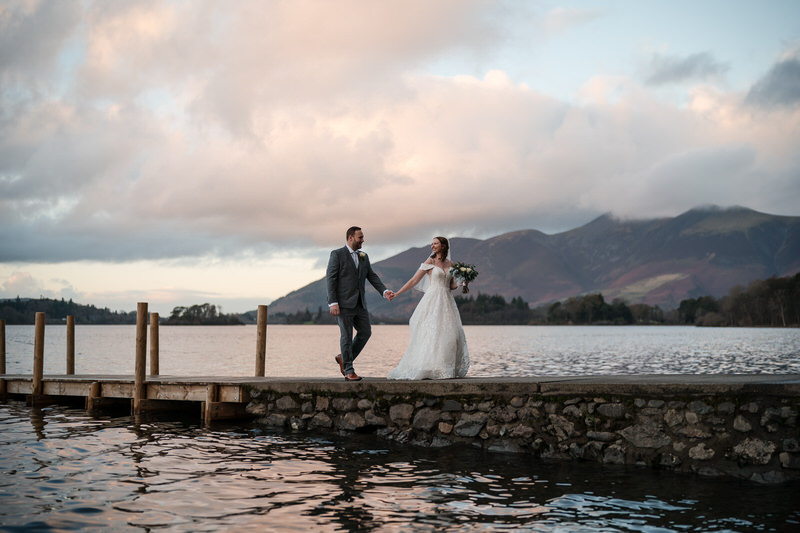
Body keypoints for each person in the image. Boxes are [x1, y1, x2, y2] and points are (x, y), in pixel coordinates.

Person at [388, 236, 469, 380]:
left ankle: (444, 368)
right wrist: (398, 293)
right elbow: (414, 280)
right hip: (433, 300)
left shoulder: (450, 263)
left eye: (435, 243)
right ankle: (427, 366)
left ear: (444, 246)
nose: (432, 246)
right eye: (432, 244)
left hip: (447, 301)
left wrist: (462, 284)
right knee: (432, 332)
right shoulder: (430, 262)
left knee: (450, 333)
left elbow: (451, 286)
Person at [327, 226, 394, 381]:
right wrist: (333, 302)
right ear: (350, 238)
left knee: (365, 333)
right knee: (346, 335)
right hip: (342, 304)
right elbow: (331, 279)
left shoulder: (364, 256)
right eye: (360, 237)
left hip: (360, 304)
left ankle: (344, 359)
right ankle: (349, 370)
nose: (363, 240)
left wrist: (384, 291)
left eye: (363, 237)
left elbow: (371, 276)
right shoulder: (337, 254)